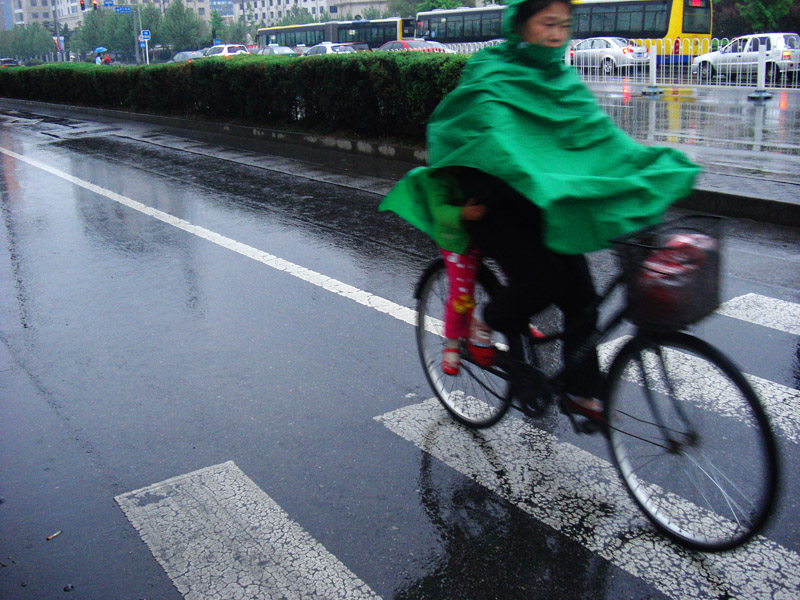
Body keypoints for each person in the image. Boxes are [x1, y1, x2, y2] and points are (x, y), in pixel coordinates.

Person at [380, 0, 700, 426]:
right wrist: (531, 170)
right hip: (492, 202)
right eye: (547, 23)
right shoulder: (492, 71)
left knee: (583, 298)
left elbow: (597, 138)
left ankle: (580, 392)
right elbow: (490, 136)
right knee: (543, 281)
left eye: (564, 25)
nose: (556, 34)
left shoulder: (561, 80)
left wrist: (642, 167)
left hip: (543, 200)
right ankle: (485, 321)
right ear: (521, 25)